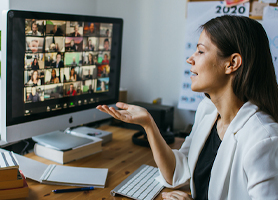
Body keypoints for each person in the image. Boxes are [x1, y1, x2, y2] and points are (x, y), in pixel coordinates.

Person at [97, 15, 278, 200]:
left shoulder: (264, 139)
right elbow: (176, 172)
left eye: (200, 51)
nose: (190, 59)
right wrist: (148, 124)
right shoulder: (207, 111)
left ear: (231, 63)